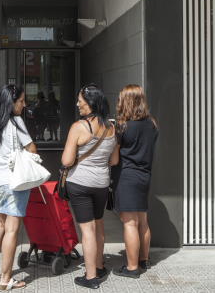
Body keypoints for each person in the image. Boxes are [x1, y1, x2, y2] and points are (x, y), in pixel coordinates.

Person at [61, 83, 118, 289]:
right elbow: (113, 161)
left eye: (80, 101)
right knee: (99, 224)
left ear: (91, 103)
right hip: (101, 183)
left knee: (87, 230)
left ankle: (91, 276)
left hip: (80, 183)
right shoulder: (111, 127)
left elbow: (67, 161)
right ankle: (100, 265)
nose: (77, 104)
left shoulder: (79, 127)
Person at [0, 84, 37, 291]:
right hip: (16, 180)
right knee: (12, 230)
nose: (23, 105)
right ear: (11, 102)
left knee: (0, 225)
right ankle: (5, 279)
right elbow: (31, 148)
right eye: (21, 101)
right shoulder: (16, 122)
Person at [110, 85, 158, 278]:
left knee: (129, 224)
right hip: (144, 175)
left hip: (127, 177)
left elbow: (114, 157)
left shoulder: (122, 126)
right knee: (142, 222)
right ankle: (143, 259)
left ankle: (132, 268)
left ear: (127, 101)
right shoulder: (151, 124)